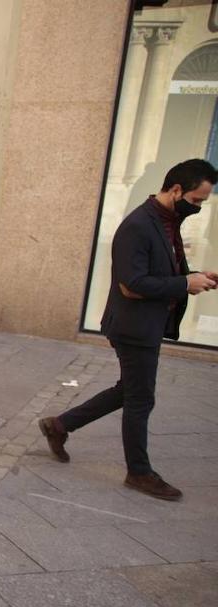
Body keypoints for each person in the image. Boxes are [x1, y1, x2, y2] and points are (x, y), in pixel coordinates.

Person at [40, 159, 217, 501]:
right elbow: (131, 285)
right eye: (196, 200)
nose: (197, 208)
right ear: (176, 190)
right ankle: (139, 472)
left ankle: (59, 425)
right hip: (134, 327)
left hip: (144, 324)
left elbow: (160, 269)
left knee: (129, 391)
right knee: (141, 399)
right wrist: (183, 284)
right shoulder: (139, 224)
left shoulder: (166, 221)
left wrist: (195, 276)